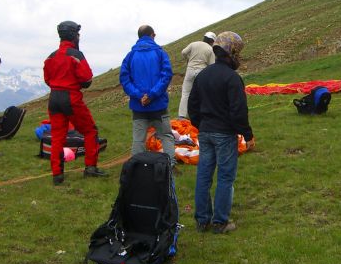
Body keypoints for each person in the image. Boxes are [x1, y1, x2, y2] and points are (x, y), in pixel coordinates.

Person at [188, 31, 255, 234]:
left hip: (205, 132)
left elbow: (193, 106)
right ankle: (220, 222)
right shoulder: (232, 78)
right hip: (225, 135)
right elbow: (238, 112)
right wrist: (248, 135)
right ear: (231, 52)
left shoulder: (202, 76)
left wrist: (202, 125)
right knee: (226, 178)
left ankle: (202, 221)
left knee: (203, 176)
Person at [43, 21, 107, 185]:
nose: (79, 36)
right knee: (90, 130)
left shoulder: (51, 56)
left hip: (54, 98)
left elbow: (47, 79)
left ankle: (57, 175)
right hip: (70, 98)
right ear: (73, 35)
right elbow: (87, 79)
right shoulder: (76, 55)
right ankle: (90, 168)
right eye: (78, 34)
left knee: (57, 137)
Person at [119, 25, 176, 167]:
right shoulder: (160, 53)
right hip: (159, 105)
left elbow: (125, 80)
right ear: (153, 35)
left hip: (139, 106)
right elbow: (166, 75)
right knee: (166, 136)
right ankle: (170, 166)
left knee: (138, 140)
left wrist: (140, 96)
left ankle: (136, 168)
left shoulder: (130, 56)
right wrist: (152, 95)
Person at [177, 32, 217, 119]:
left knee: (186, 93)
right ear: (212, 41)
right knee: (202, 93)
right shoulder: (210, 49)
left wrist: (188, 59)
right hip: (202, 72)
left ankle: (182, 116)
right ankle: (201, 114)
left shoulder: (194, 44)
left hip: (190, 70)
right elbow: (212, 65)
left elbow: (183, 52)